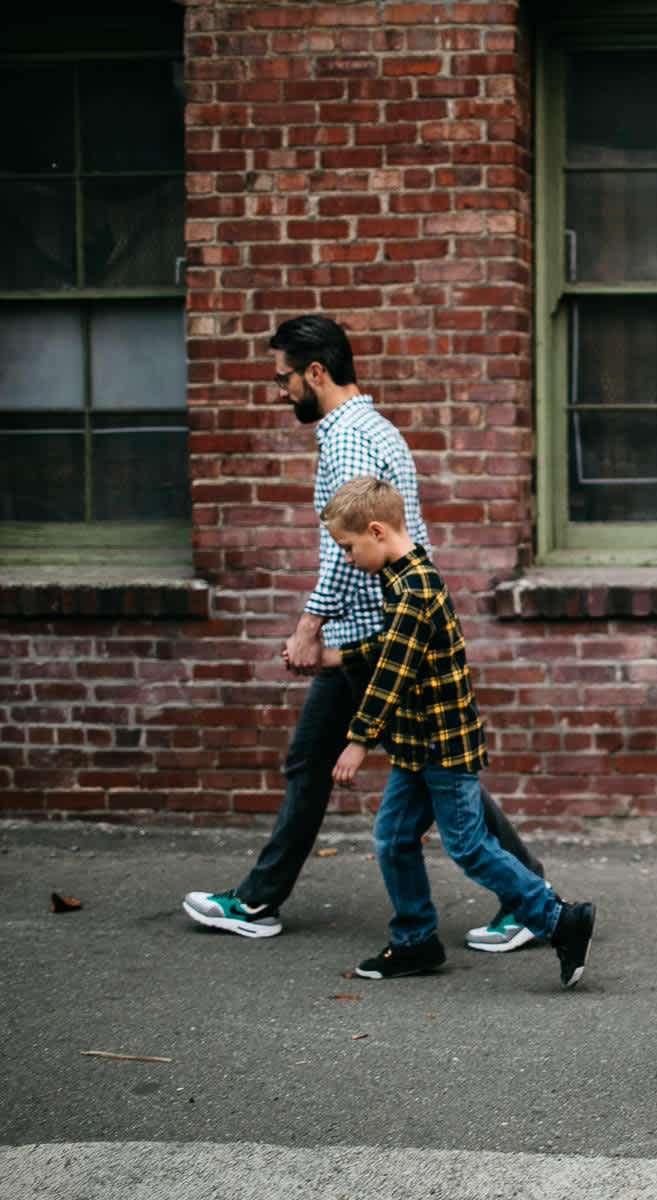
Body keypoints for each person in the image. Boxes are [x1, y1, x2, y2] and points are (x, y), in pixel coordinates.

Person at [183, 315, 548, 954]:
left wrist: (308, 628)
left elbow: (347, 547)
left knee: (333, 764)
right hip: (380, 625)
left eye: (284, 378)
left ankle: (261, 900)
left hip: (372, 629)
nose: (280, 390)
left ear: (315, 372)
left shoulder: (347, 439)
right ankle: (529, 897)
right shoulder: (373, 427)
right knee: (444, 772)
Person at [320, 476, 596, 988]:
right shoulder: (404, 581)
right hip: (417, 747)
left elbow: (393, 674)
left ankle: (559, 920)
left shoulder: (414, 588)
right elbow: (393, 646)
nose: (348, 557)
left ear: (376, 531)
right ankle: (416, 940)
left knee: (468, 845)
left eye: (349, 546)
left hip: (441, 747)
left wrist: (357, 742)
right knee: (394, 837)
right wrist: (338, 656)